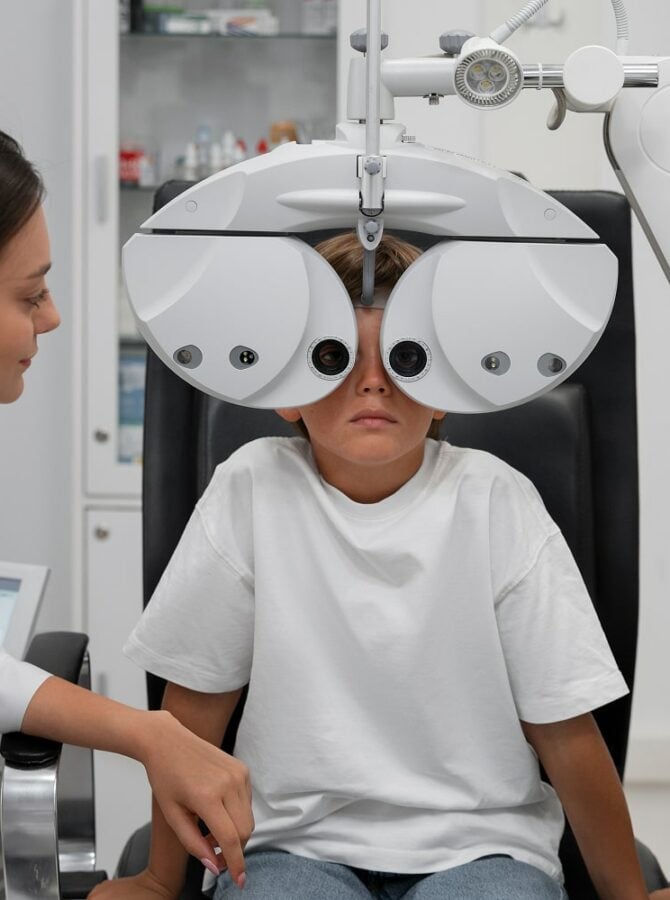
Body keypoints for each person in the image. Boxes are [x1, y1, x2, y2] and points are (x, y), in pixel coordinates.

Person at [91, 232, 670, 900]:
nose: (373, 380)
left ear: (446, 383)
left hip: (480, 847)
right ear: (286, 384)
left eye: (407, 357)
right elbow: (195, 709)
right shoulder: (251, 489)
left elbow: (564, 728)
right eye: (334, 358)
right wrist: (161, 882)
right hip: (290, 847)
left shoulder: (495, 500)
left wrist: (629, 896)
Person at [0, 129, 252, 886]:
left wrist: (148, 735)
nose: (52, 317)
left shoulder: (496, 499)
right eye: (28, 294)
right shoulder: (248, 489)